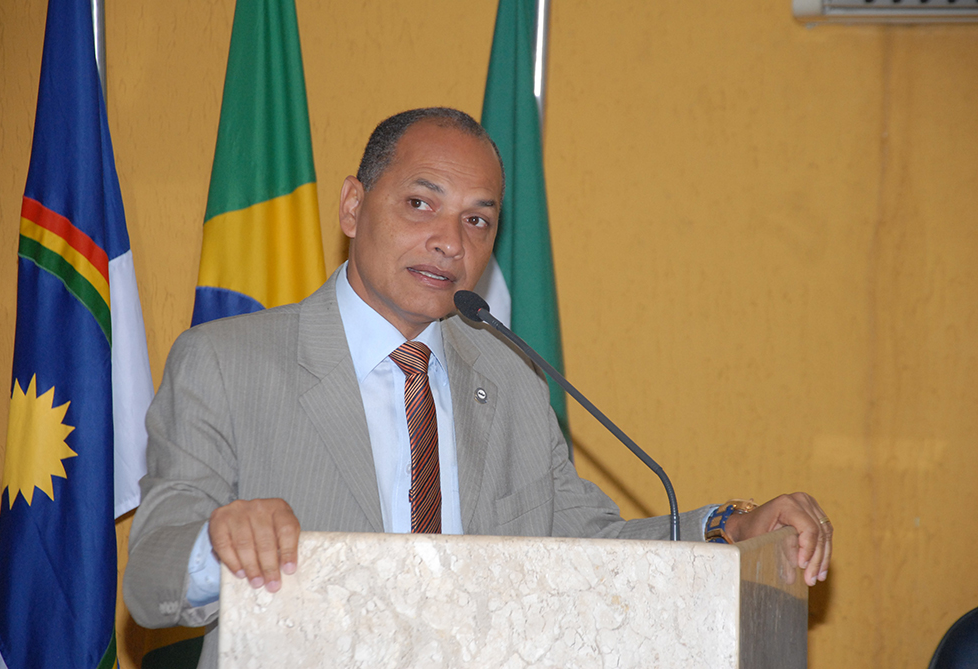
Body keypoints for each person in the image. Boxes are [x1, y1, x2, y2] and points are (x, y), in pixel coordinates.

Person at [124, 108, 832, 666]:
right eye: (420, 204)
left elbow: (590, 545)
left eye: (477, 220)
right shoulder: (226, 362)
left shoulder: (509, 377)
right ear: (352, 207)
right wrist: (220, 540)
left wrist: (728, 526)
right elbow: (150, 577)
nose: (450, 243)